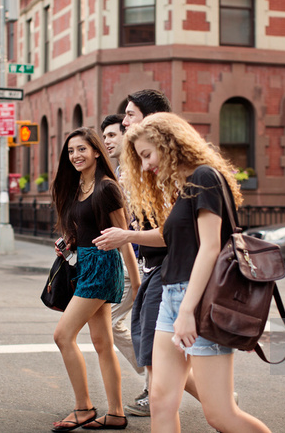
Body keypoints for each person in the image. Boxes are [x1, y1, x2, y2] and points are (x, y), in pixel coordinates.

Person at [121, 113, 269, 432]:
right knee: (161, 400)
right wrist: (129, 235)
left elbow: (210, 248)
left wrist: (187, 310)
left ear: (169, 144)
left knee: (220, 414)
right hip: (171, 295)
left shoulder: (205, 177)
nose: (145, 166)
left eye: (147, 155)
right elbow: (174, 239)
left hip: (199, 301)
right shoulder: (183, 187)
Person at [94, 89, 201, 418]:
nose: (124, 122)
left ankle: (204, 396)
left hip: (170, 272)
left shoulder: (181, 174)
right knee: (156, 348)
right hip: (154, 267)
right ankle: (202, 396)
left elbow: (179, 235)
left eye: (129, 115)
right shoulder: (141, 168)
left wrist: (127, 236)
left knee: (154, 345)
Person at [50, 127, 140, 431]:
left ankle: (83, 407)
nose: (75, 155)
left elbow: (123, 236)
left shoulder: (106, 188)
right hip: (85, 264)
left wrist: (137, 282)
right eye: (71, 151)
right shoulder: (78, 187)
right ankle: (115, 413)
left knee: (63, 335)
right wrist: (68, 241)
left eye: (82, 150)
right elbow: (83, 228)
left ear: (97, 152)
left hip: (103, 266)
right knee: (103, 342)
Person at [101, 114, 146, 378]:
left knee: (154, 331)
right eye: (104, 136)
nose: (106, 141)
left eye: (112, 135)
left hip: (142, 260)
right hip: (128, 258)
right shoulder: (118, 172)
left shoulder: (140, 169)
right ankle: (156, 378)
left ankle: (158, 382)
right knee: (109, 323)